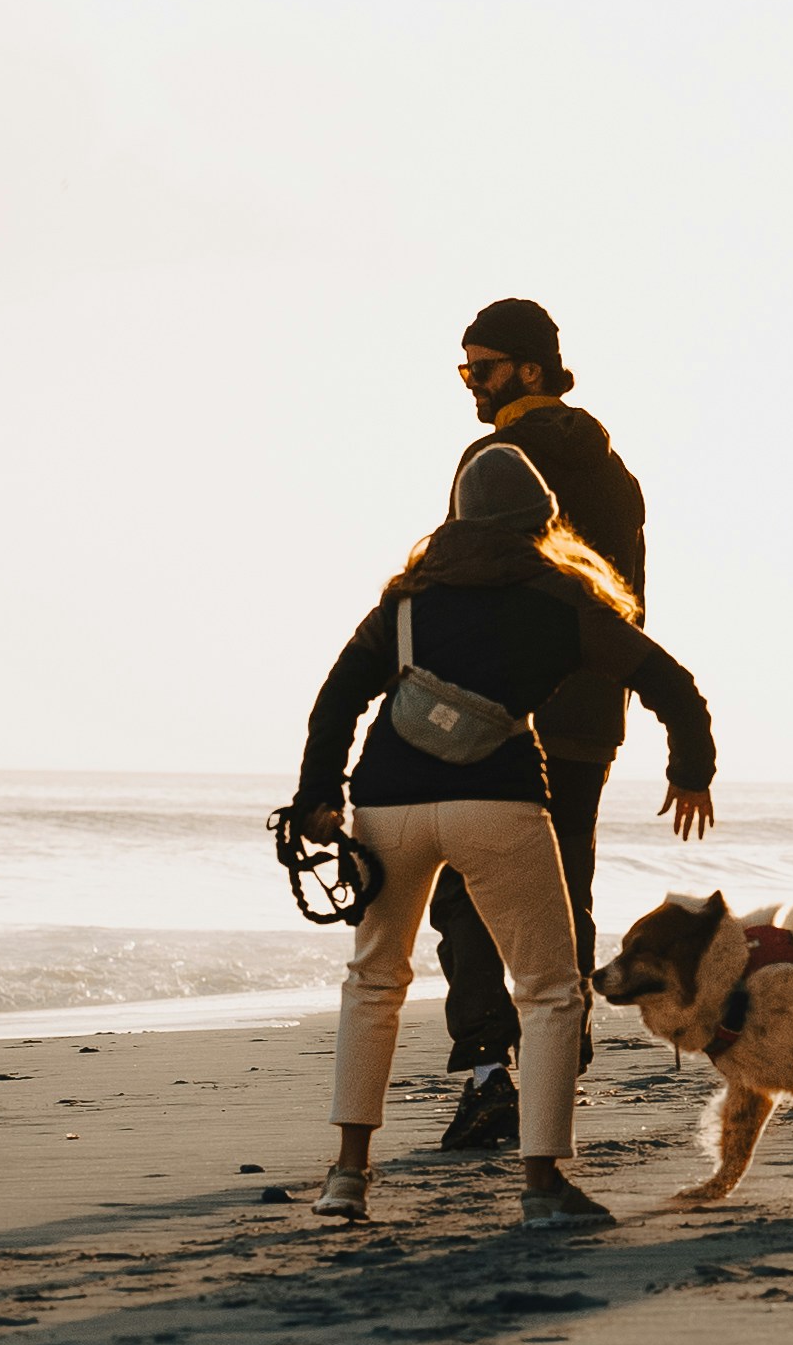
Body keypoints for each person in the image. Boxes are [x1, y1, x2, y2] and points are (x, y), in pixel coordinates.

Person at [289, 442, 717, 1231]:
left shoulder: (407, 602)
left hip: (389, 804)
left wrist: (318, 795)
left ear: (456, 517)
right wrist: (692, 768)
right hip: (499, 800)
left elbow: (337, 698)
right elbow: (669, 682)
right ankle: (543, 1185)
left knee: (374, 981)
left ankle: (347, 1176)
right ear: (541, 520)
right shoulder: (561, 600)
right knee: (550, 989)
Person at [432, 298, 650, 1150]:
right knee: (565, 890)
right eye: (464, 371)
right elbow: (629, 597)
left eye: (479, 370)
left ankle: (491, 1072)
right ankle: (562, 1057)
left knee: (467, 889)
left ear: (528, 369)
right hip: (592, 711)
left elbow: (462, 581)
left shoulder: (494, 459)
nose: (470, 388)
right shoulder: (615, 472)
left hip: (501, 709)